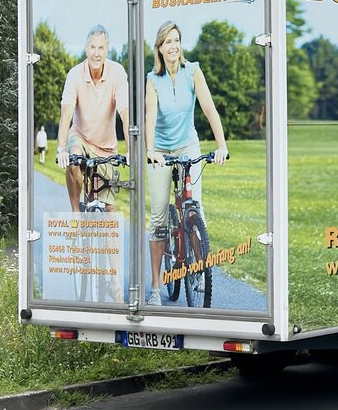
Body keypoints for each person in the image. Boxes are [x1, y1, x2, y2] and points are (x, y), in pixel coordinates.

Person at [145, 21, 228, 306]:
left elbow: (208, 108)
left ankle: (196, 257)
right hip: (160, 149)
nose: (173, 46)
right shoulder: (152, 80)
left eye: (177, 40)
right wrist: (150, 150)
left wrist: (221, 145)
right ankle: (156, 288)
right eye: (168, 41)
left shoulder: (192, 71)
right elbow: (150, 118)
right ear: (160, 47)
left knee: (195, 205)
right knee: (158, 219)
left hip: (187, 143)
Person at [55, 25, 129, 301]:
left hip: (106, 147)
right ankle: (77, 215)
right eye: (91, 47)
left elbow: (125, 111)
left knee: (109, 213)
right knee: (73, 160)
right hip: (81, 137)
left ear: (106, 49)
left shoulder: (117, 73)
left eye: (101, 47)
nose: (96, 53)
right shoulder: (75, 74)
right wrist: (62, 147)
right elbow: (66, 113)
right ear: (86, 49)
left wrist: (131, 149)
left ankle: (113, 284)